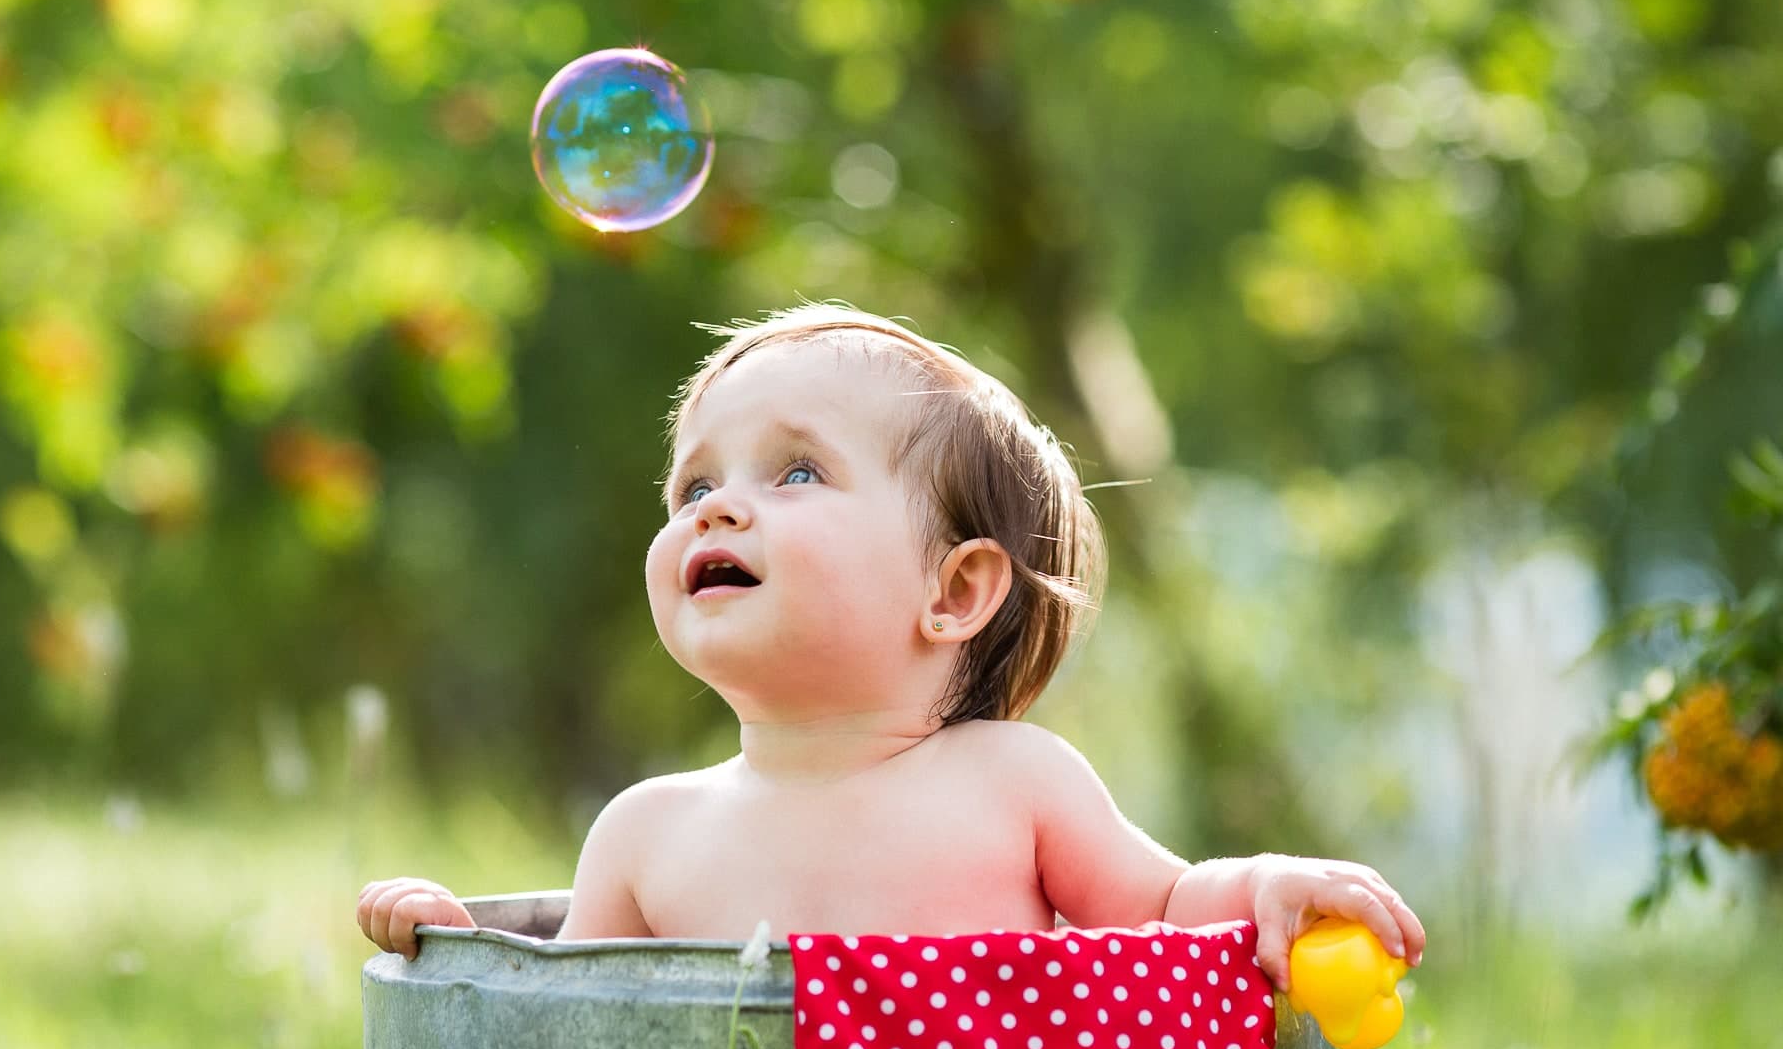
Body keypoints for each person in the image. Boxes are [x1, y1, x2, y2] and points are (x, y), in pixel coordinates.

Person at [356, 303, 1424, 993]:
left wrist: (1263, 887)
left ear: (953, 589)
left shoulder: (1010, 781)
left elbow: (1159, 912)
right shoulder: (645, 833)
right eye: (693, 484)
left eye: (798, 473)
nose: (717, 509)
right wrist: (465, 956)